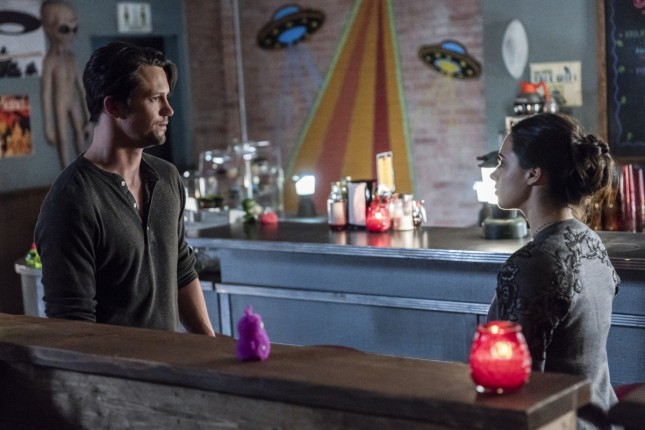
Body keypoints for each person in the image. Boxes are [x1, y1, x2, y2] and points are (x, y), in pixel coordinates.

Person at [35, 41, 215, 336]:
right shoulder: (72, 200)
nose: (168, 110)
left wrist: (209, 344)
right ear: (114, 106)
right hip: (112, 366)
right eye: (155, 98)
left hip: (169, 362)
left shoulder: (167, 178)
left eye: (167, 97)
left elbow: (181, 270)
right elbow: (72, 325)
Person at [487, 113, 619, 427]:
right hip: (603, 418)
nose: (494, 174)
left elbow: (516, 388)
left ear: (534, 174)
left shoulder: (532, 263)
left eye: (503, 163)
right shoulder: (589, 240)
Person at [40, 0, 90, 168]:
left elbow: (82, 87)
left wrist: (88, 116)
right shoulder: (50, 60)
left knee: (79, 133)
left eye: (74, 29)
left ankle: (84, 169)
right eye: (64, 29)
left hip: (72, 99)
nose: (70, 34)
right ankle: (66, 172)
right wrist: (48, 126)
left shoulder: (72, 59)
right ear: (50, 28)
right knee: (62, 137)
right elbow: (46, 93)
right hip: (60, 101)